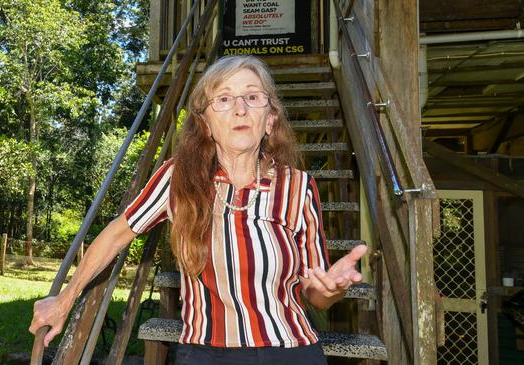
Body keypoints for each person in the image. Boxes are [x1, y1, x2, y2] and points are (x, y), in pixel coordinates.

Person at [30, 55, 368, 364]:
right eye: (223, 99)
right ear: (205, 123)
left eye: (252, 97)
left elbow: (315, 292)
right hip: (205, 353)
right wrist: (65, 298)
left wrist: (328, 292)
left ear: (270, 119)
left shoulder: (298, 186)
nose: (240, 109)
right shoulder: (178, 178)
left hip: (292, 351)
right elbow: (118, 232)